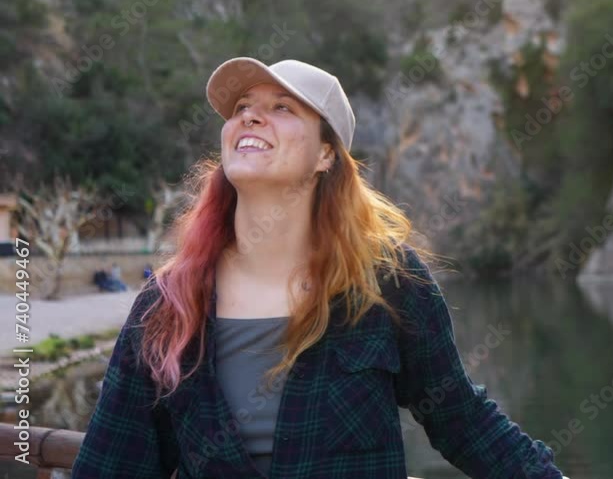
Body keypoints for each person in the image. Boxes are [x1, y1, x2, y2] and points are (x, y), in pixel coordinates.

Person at [71, 57, 569, 478]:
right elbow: (113, 463)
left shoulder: (388, 283)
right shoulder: (168, 305)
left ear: (326, 154)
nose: (250, 117)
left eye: (282, 108)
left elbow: (463, 421)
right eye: (242, 108)